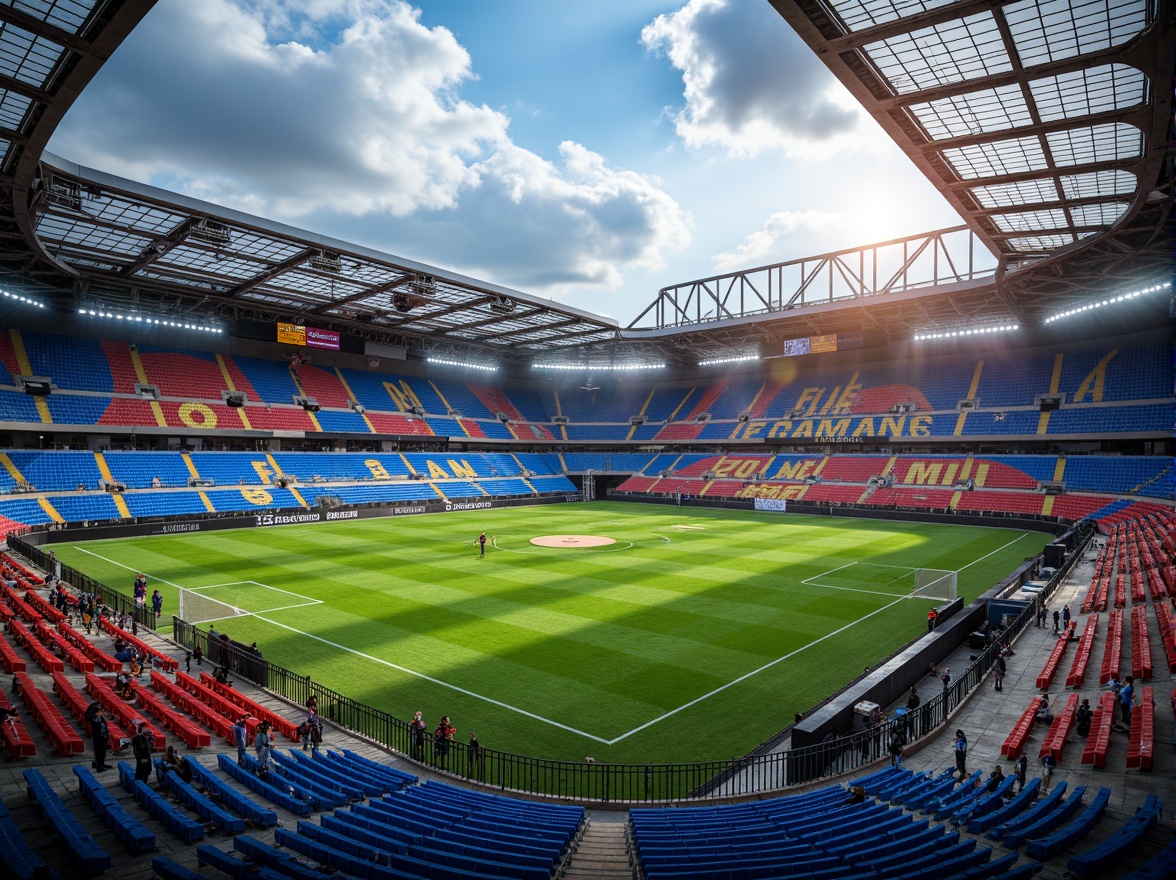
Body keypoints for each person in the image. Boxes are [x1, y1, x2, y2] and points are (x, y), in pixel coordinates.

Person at [85, 702, 111, 772]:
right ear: (96, 713)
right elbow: (98, 732)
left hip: (103, 737)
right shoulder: (95, 721)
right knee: (99, 752)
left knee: (103, 752)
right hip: (99, 738)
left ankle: (102, 764)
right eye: (100, 711)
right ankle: (99, 766)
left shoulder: (100, 718)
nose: (101, 712)